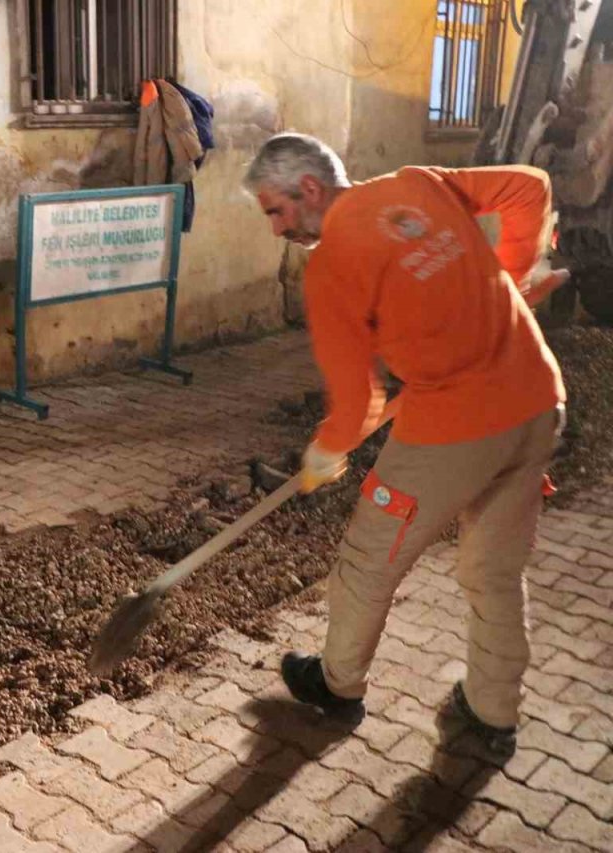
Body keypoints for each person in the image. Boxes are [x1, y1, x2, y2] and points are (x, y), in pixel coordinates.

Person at [243, 133, 567, 755]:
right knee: (494, 570)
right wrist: (514, 270)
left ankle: (338, 685)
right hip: (536, 401)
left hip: (453, 427)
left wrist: (326, 451)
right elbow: (531, 187)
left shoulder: (333, 263)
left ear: (308, 188)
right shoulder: (418, 183)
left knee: (368, 560)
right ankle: (493, 712)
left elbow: (355, 402)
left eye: (276, 212)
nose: (277, 229)